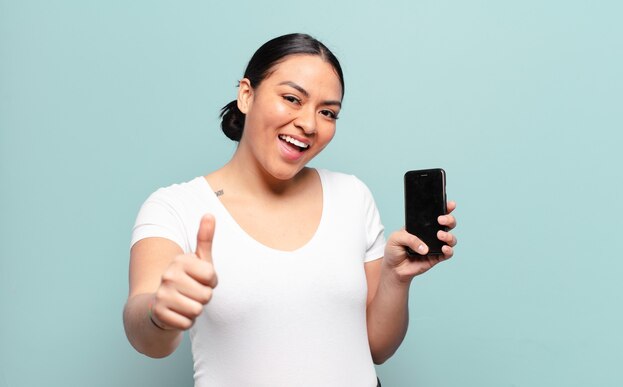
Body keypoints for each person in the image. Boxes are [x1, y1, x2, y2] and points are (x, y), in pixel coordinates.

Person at [123, 33, 457, 387]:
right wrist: (161, 313)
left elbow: (376, 348)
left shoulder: (352, 196)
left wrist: (396, 278)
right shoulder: (176, 207)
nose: (309, 124)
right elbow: (144, 334)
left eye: (327, 112)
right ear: (246, 95)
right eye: (291, 98)